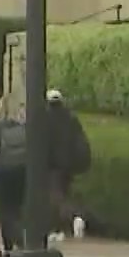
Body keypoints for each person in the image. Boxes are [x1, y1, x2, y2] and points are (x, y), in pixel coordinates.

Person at [0, 97, 30, 254]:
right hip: (23, 172)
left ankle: (11, 246)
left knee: (6, 212)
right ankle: (22, 240)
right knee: (18, 209)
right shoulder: (21, 128)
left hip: (4, 173)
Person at [46, 89, 93, 241]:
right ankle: (58, 229)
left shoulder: (45, 118)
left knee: (56, 197)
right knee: (62, 194)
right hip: (69, 164)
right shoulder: (71, 118)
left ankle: (75, 216)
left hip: (52, 164)